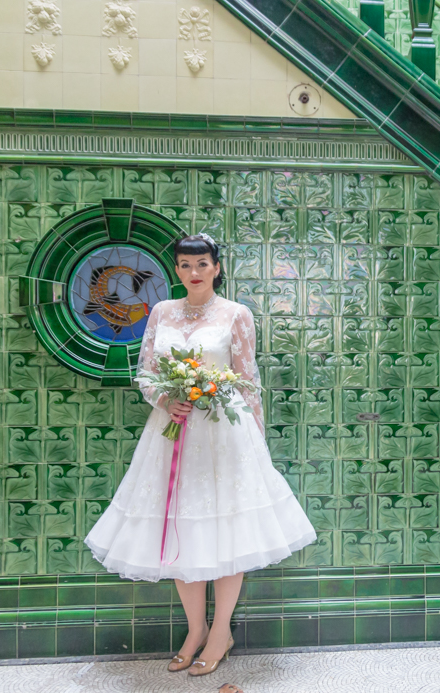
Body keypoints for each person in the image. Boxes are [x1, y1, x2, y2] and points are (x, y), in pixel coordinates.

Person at [85, 233, 316, 676]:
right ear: (176, 269)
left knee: (231, 528)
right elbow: (146, 373)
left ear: (216, 267)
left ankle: (222, 631)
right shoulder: (161, 312)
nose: (194, 273)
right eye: (186, 265)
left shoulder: (237, 314)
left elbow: (249, 380)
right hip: (173, 430)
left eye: (203, 264)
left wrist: (257, 441)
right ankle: (195, 629)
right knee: (177, 523)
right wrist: (165, 400)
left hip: (225, 432)